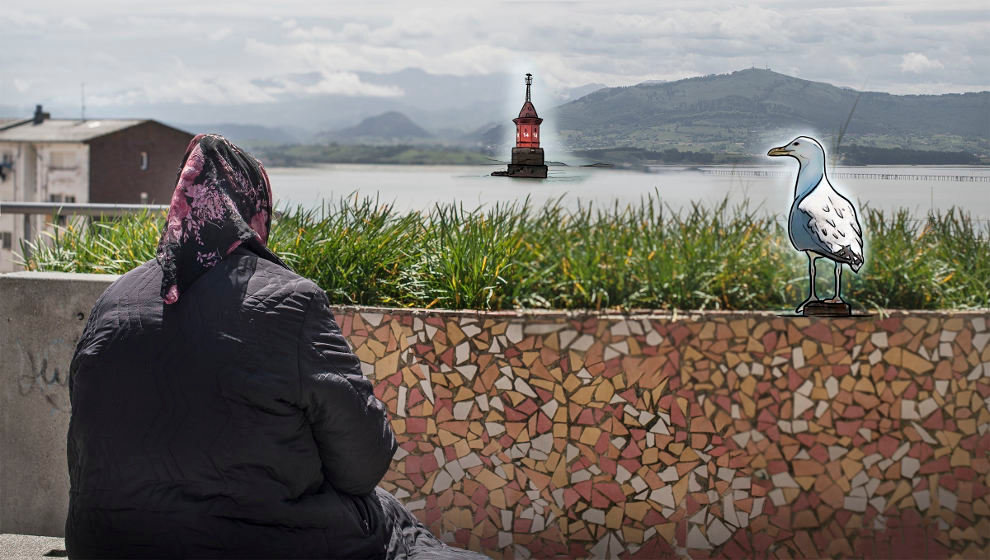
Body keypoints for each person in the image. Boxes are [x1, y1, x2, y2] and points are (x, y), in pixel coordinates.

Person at [66, 134, 487, 559]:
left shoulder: (114, 298)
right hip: (256, 544)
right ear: (254, 209)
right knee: (392, 524)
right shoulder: (292, 301)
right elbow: (362, 466)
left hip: (104, 542)